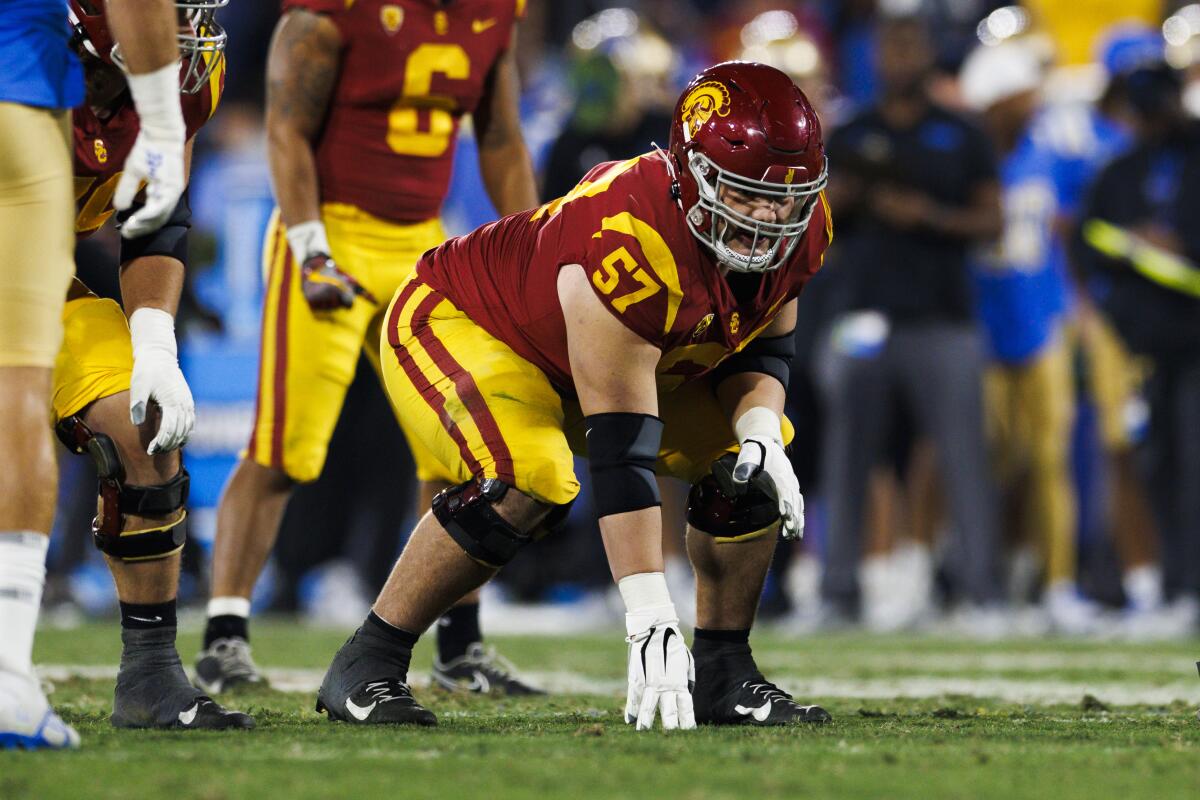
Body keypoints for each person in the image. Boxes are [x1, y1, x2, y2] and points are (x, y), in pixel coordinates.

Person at [315, 61, 833, 730]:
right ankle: (369, 660)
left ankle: (725, 672)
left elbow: (762, 347)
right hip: (469, 323)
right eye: (742, 193)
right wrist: (648, 616)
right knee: (531, 477)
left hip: (599, 357)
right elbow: (622, 455)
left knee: (754, 465)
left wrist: (760, 424)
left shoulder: (804, 225)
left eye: (783, 194)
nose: (769, 215)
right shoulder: (627, 236)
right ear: (690, 175)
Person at [198, 0, 541, 697]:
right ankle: (223, 637)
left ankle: (459, 645)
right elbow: (286, 128)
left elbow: (501, 136)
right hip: (332, 234)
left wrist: (526, 254)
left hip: (423, 242)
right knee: (283, 449)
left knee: (460, 448)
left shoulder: (493, 14)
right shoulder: (335, 10)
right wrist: (309, 247)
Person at [0, 0, 191, 751]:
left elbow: (160, 217)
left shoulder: (175, 77)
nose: (182, 25)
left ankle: (149, 672)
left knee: (137, 423)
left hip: (39, 275)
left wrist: (154, 344)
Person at [817, 13, 1005, 627]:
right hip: (860, 316)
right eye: (888, 44)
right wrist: (838, 204)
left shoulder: (961, 132)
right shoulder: (850, 132)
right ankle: (838, 595)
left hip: (941, 317)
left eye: (909, 43)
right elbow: (810, 229)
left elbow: (993, 222)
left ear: (928, 54)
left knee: (962, 457)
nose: (898, 56)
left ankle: (982, 595)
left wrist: (926, 215)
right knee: (844, 454)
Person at [959, 40, 1097, 632]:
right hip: (982, 325)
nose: (1031, 106)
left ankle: (1057, 582)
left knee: (1048, 460)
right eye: (1019, 98)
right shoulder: (966, 159)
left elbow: (1073, 227)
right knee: (989, 460)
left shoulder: (1052, 153)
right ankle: (987, 577)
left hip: (1041, 321)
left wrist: (1075, 303)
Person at [1075, 58, 1200, 635]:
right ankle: (1165, 587)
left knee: (1192, 465)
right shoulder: (1119, 171)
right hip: (1140, 344)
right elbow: (1090, 245)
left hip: (1193, 338)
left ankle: (1186, 588)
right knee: (1153, 465)